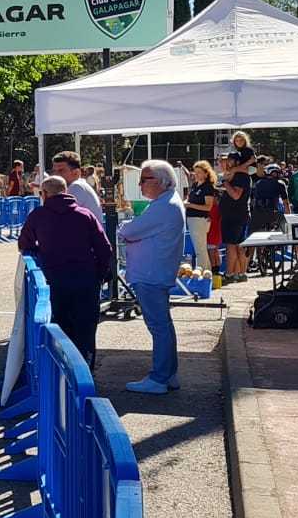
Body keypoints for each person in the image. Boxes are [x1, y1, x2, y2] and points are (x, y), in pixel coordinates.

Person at [19, 174, 115, 365]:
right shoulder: (85, 215)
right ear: (65, 192)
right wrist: (100, 273)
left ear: (44, 194)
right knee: (85, 326)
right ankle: (86, 367)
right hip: (86, 278)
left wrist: (42, 252)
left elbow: (24, 244)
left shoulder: (38, 216)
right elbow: (104, 248)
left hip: (53, 278)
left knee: (60, 325)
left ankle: (62, 371)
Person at [117, 159, 186, 395]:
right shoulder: (166, 202)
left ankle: (159, 377)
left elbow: (129, 231)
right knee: (163, 326)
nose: (140, 184)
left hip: (151, 274)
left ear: (159, 181)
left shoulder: (163, 206)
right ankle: (168, 374)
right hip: (155, 272)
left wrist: (128, 229)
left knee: (158, 326)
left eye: (144, 179)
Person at [217, 149, 253, 282]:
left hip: (236, 217)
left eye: (230, 160)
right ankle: (239, 274)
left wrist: (225, 183)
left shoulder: (240, 177)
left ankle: (230, 274)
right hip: (234, 216)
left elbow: (236, 195)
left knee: (232, 246)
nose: (227, 163)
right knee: (238, 246)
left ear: (237, 162)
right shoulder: (235, 175)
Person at [47, 150, 102, 228]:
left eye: (61, 171)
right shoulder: (79, 186)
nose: (56, 175)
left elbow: (57, 217)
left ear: (76, 173)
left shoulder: (76, 187)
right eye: (54, 171)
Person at [184, 160, 219, 277]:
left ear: (206, 173)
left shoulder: (208, 187)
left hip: (200, 219)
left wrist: (190, 205)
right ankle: (205, 272)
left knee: (200, 249)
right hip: (192, 219)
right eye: (196, 172)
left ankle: (203, 272)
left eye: (199, 172)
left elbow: (208, 207)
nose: (197, 174)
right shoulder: (195, 185)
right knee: (199, 248)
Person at [251, 162, 287, 232]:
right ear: (272, 172)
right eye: (277, 172)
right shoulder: (280, 183)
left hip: (257, 214)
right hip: (272, 213)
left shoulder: (258, 183)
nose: (279, 174)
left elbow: (253, 199)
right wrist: (288, 216)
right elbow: (286, 203)